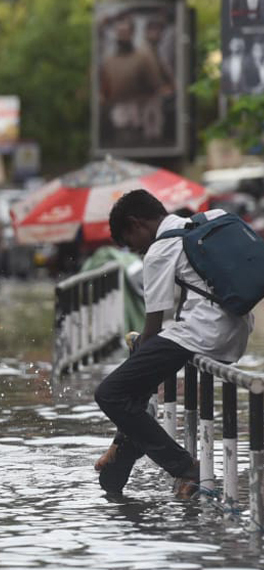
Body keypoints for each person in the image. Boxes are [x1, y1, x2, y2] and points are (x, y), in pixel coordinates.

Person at [94, 190, 252, 497]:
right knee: (138, 371)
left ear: (136, 224)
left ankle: (181, 465)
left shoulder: (160, 250)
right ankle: (126, 437)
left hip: (202, 332)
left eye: (132, 245)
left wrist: (139, 352)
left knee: (111, 392)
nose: (137, 252)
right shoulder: (209, 221)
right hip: (237, 329)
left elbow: (153, 326)